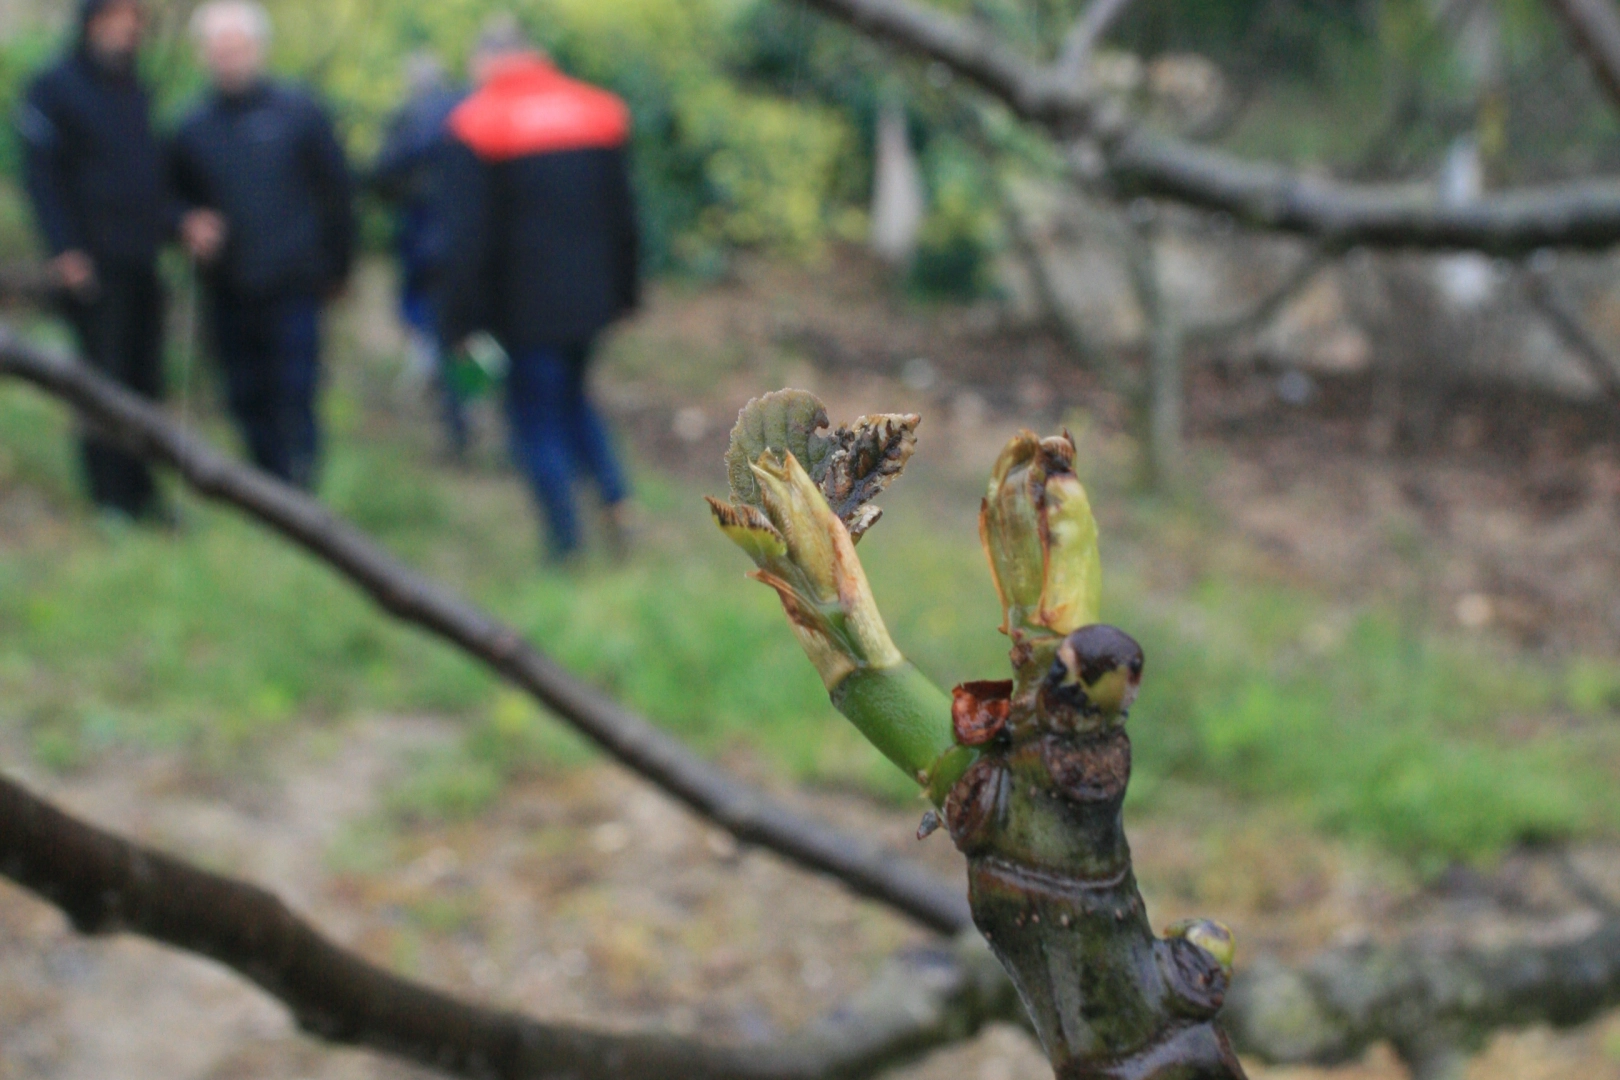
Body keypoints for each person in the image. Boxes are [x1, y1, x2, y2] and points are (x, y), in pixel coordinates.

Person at [440, 16, 639, 562]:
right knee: (573, 397)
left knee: (536, 418)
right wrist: (626, 294)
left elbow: (466, 241)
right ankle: (617, 502)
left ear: (486, 60)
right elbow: (624, 216)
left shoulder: (475, 124)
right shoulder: (598, 111)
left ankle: (564, 542)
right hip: (591, 302)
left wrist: (457, 323)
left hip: (521, 311)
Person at [171, 0, 354, 490]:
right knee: (245, 393)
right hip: (229, 285)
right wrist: (185, 222)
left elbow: (337, 191)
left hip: (294, 279)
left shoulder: (299, 110)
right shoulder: (189, 126)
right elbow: (167, 197)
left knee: (294, 389)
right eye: (218, 49)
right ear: (203, 55)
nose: (228, 58)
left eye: (237, 47)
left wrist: (339, 267)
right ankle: (266, 487)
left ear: (258, 49)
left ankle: (304, 488)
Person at [18, 0, 176, 524]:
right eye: (115, 22)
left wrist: (177, 226)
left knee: (145, 378)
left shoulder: (134, 89)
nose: (125, 33)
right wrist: (64, 250)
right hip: (90, 264)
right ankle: (108, 497)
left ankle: (143, 492)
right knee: (100, 382)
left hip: (141, 258)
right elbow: (42, 177)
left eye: (132, 24)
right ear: (90, 24)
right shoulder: (54, 88)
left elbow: (148, 178)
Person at [369, 52, 468, 458]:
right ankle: (471, 401)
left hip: (426, 245)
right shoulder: (470, 108)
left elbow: (381, 175)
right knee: (472, 332)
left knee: (435, 327)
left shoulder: (409, 119)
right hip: (468, 247)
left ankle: (458, 419)